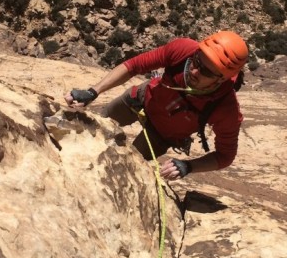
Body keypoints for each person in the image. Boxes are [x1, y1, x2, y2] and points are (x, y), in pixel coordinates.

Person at [65, 31, 248, 181]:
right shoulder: (183, 50)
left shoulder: (226, 108)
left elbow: (225, 156)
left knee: (123, 166)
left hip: (161, 135)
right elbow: (133, 66)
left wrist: (189, 166)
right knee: (92, 128)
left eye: (206, 71)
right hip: (140, 100)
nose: (194, 71)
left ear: (222, 79)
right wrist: (93, 91)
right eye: (197, 60)